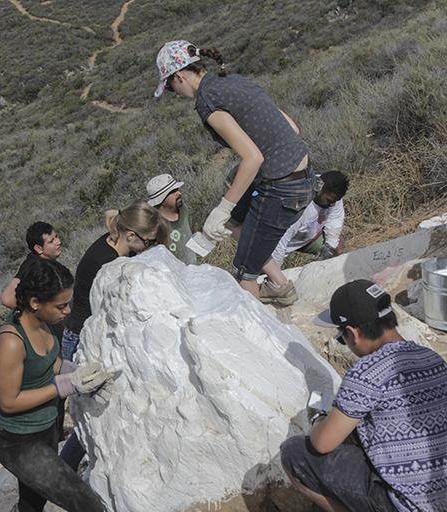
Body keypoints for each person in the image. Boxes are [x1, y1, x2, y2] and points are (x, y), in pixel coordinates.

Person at [154, 40, 315, 301]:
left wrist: (222, 207)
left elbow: (253, 158)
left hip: (282, 186)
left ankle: (262, 333)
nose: (174, 92)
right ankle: (279, 285)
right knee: (235, 223)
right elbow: (292, 127)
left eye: (170, 87)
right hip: (304, 172)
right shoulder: (230, 79)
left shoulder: (207, 101)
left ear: (179, 76)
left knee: (243, 271)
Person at [280, 279, 447, 511]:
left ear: (353, 333)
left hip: (406, 504)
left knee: (294, 453)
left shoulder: (366, 372)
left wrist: (318, 416)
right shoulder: (431, 358)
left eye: (341, 338)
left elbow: (322, 444)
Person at [0, 258, 111, 512]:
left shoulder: (45, 324)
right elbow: (9, 402)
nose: (67, 311)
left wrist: (76, 372)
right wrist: (64, 386)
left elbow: (50, 364)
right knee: (87, 504)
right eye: (61, 305)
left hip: (46, 429)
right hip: (18, 441)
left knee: (33, 499)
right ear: (35, 303)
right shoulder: (10, 342)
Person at [59, 200, 169, 471]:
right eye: (148, 241)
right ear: (131, 235)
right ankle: (65, 469)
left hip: (85, 332)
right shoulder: (107, 262)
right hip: (81, 339)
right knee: (97, 410)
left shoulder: (115, 246)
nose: (149, 247)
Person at [260, 171, 349, 305]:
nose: (332, 205)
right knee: (259, 274)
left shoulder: (333, 195)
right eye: (329, 201)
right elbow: (280, 242)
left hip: (310, 237)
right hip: (282, 242)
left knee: (337, 246)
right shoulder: (298, 203)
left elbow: (336, 219)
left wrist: (329, 246)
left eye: (334, 202)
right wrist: (276, 274)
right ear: (319, 188)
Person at [1, 221, 62, 309]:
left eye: (56, 237)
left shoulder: (43, 262)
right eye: (51, 241)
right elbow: (7, 299)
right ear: (39, 248)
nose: (58, 242)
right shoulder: (34, 266)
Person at [146, 173, 197, 265]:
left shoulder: (183, 209)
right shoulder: (155, 225)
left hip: (193, 269)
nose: (179, 193)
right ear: (160, 199)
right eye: (172, 191)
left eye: (177, 189)